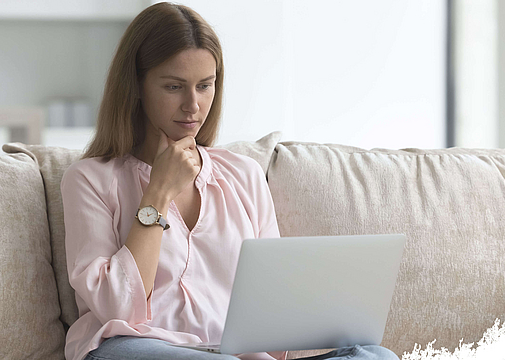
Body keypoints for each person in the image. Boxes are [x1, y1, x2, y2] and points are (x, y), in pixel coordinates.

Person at [60, 2, 400, 360]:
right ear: (137, 87)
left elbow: (272, 317)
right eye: (174, 86)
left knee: (375, 355)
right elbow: (117, 307)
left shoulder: (244, 175)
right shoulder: (90, 180)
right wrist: (157, 193)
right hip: (136, 349)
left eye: (205, 86)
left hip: (234, 355)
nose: (193, 105)